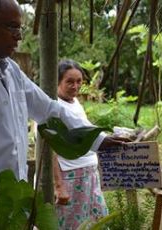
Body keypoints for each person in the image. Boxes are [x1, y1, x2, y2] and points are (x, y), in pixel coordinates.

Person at [0, 1, 113, 229]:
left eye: (20, 29)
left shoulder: (10, 70)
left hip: (7, 211)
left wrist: (99, 140)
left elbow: (49, 109)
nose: (18, 37)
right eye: (12, 28)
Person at [53, 59, 127, 229]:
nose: (75, 86)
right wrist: (58, 186)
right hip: (69, 179)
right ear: (57, 81)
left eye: (79, 81)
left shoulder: (74, 102)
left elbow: (85, 133)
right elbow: (49, 150)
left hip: (88, 177)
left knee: (96, 222)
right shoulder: (52, 106)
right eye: (69, 81)